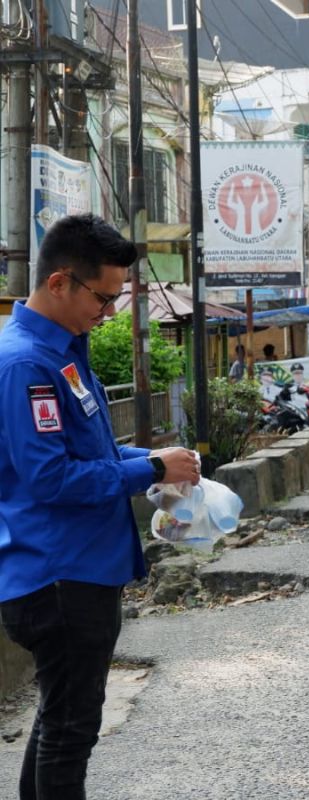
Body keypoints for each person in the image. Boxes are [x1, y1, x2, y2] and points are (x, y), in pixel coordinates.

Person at [0, 214, 200, 800]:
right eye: (104, 297)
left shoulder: (63, 349)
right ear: (60, 281)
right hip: (59, 573)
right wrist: (151, 469)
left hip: (78, 567)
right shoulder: (27, 365)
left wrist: (155, 458)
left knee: (60, 721)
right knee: (70, 730)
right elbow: (51, 478)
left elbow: (91, 449)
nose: (108, 311)